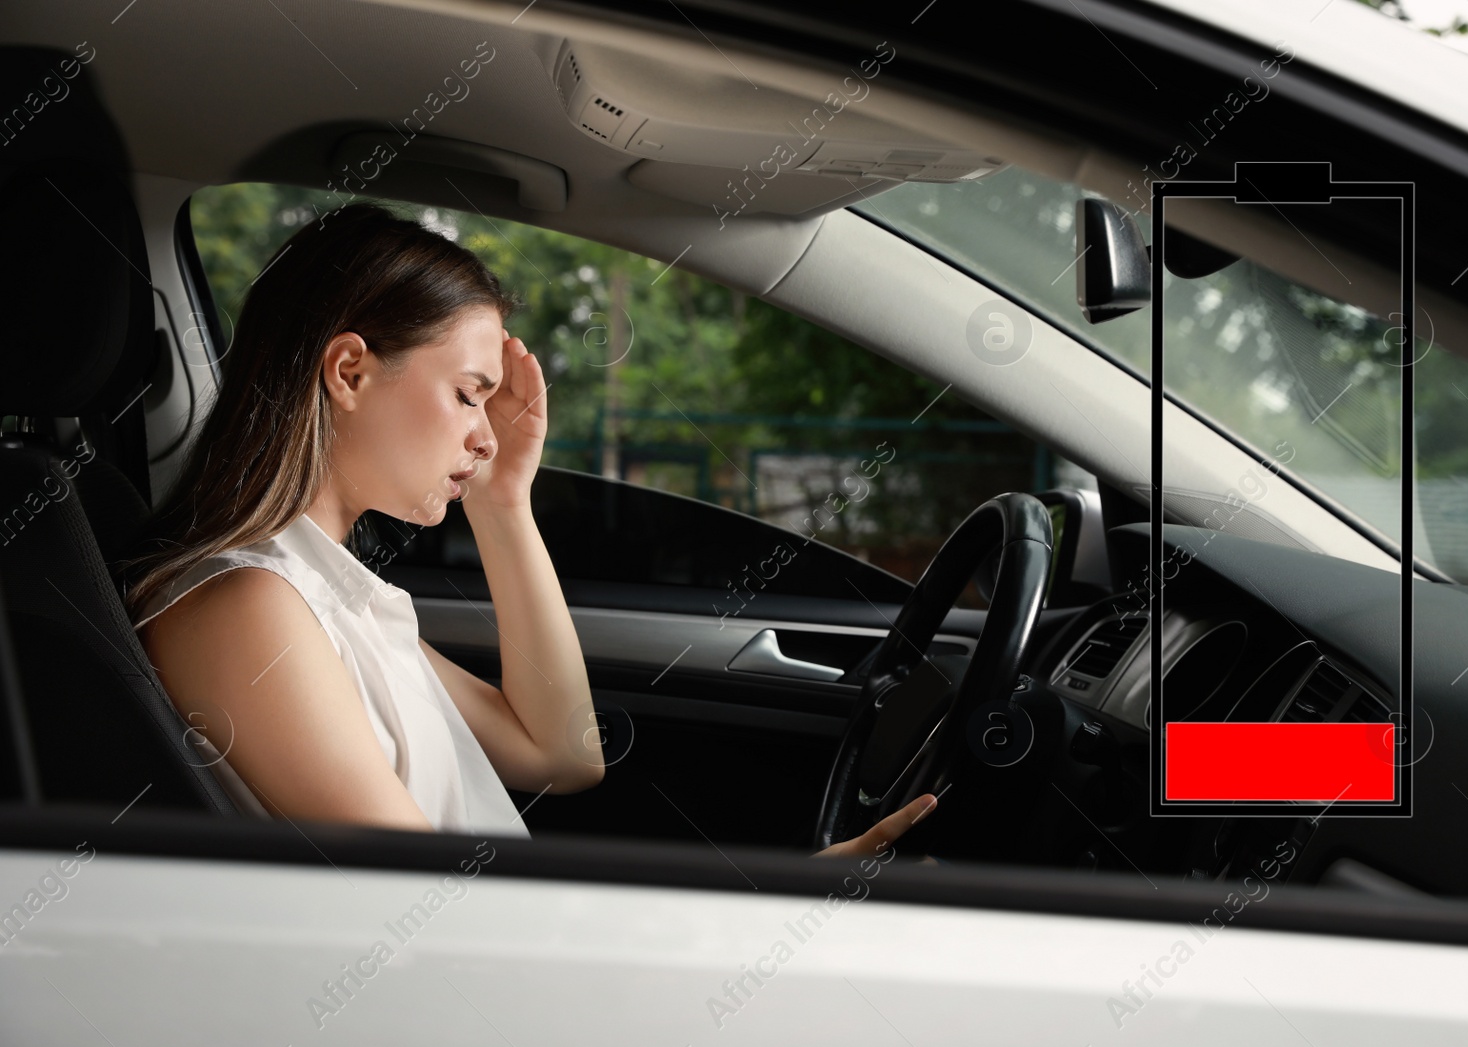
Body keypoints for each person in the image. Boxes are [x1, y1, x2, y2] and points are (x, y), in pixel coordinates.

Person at [118, 202, 935, 856]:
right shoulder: (250, 606)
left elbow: (564, 754)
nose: (486, 434)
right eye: (469, 393)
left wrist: (503, 504)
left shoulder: (333, 594)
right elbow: (431, 914)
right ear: (350, 372)